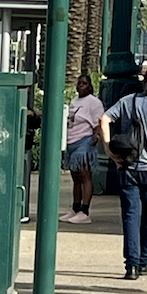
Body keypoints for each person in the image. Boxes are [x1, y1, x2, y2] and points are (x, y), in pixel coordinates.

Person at [101, 65, 147, 279]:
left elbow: (105, 119)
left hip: (128, 165)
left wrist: (109, 149)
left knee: (131, 216)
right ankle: (146, 260)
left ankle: (132, 266)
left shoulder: (128, 101)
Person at [60, 74, 105, 225]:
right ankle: (75, 207)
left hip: (84, 142)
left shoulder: (94, 102)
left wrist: (96, 136)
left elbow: (99, 121)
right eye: (79, 83)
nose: (80, 85)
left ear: (90, 86)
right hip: (71, 141)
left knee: (85, 176)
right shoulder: (74, 101)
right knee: (75, 177)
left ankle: (85, 211)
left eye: (84, 83)